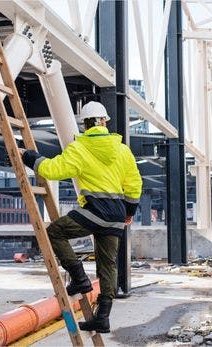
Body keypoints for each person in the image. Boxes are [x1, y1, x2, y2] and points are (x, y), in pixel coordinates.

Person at [21, 101, 142, 333]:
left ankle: (79, 278)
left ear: (85, 125)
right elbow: (134, 184)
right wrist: (129, 212)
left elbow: (52, 170)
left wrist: (29, 157)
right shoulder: (122, 150)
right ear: (104, 122)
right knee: (108, 265)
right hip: (117, 215)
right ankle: (103, 317)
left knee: (55, 232)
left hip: (95, 211)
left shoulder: (80, 148)